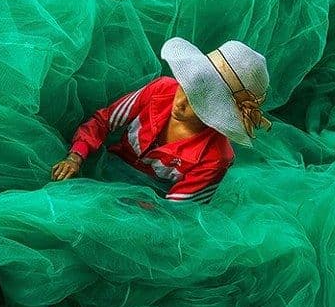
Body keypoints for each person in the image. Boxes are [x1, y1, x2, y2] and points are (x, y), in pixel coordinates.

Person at [51, 38, 272, 204]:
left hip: (147, 204)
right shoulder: (162, 89)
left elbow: (176, 209)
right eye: (185, 86)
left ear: (218, 114)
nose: (181, 102)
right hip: (102, 169)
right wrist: (76, 156)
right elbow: (104, 120)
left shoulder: (216, 156)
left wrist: (139, 211)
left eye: (199, 102)